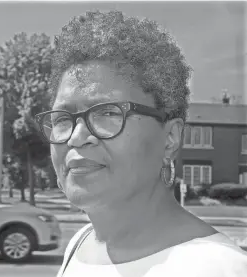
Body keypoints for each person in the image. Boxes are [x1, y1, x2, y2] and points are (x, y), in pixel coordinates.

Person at [34, 10, 247, 277]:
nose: (76, 137)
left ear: (170, 138)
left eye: (108, 113)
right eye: (63, 118)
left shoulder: (217, 268)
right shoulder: (82, 243)